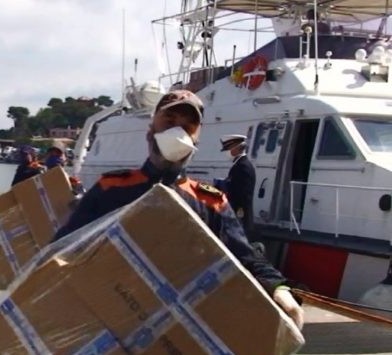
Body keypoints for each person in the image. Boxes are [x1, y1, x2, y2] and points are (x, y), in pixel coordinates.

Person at [53, 89, 304, 331]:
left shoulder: (210, 201)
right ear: (151, 130)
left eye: (186, 126)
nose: (177, 130)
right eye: (169, 120)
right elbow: (64, 245)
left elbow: (245, 256)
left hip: (176, 327)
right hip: (111, 317)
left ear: (195, 139)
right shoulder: (113, 187)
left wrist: (279, 288)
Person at [220, 134, 256, 239]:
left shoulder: (243, 167)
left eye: (228, 148)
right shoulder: (239, 165)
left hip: (240, 216)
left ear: (237, 148)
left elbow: (243, 196)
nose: (226, 152)